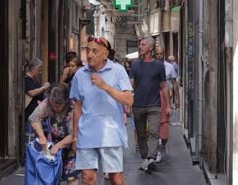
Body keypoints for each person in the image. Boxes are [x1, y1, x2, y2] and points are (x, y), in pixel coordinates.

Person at [70, 36, 133, 185]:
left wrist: (105, 86)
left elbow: (129, 100)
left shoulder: (118, 70)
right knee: (87, 177)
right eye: (88, 50)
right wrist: (75, 135)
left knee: (116, 178)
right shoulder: (80, 74)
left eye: (95, 51)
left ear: (105, 54)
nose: (89, 55)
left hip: (111, 133)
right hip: (86, 133)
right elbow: (77, 107)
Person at [129, 37, 171, 173]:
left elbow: (164, 86)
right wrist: (127, 103)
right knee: (141, 134)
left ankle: (151, 157)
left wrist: (168, 105)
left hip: (154, 105)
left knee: (154, 132)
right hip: (138, 105)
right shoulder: (135, 65)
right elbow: (130, 86)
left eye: (143, 44)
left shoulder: (159, 66)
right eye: (140, 44)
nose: (140, 47)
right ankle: (145, 157)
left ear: (151, 48)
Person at [28, 83, 80, 184]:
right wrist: (42, 136)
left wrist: (58, 146)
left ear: (65, 102)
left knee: (72, 175)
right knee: (50, 176)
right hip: (51, 144)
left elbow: (74, 132)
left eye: (58, 106)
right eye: (52, 105)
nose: (54, 108)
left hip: (71, 144)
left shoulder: (73, 107)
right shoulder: (47, 103)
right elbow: (34, 118)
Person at [154, 47, 180, 163]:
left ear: (164, 54)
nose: (159, 55)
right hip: (153, 98)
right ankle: (157, 150)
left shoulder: (169, 67)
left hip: (166, 99)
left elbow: (174, 83)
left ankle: (162, 143)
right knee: (154, 124)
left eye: (161, 53)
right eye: (157, 54)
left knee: (164, 124)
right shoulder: (150, 65)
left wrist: (177, 98)